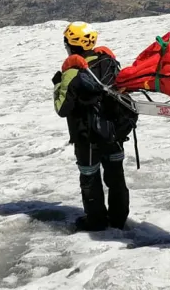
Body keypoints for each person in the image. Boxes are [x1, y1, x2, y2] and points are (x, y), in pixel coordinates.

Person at [52, 21, 131, 231]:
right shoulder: (109, 62)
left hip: (86, 136)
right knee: (116, 176)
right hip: (114, 133)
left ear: (71, 44)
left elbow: (62, 109)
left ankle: (96, 222)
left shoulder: (71, 72)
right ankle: (118, 219)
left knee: (90, 177)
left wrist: (58, 84)